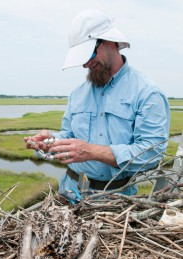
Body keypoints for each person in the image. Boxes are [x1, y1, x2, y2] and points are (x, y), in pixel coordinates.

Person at [24, 9, 170, 196]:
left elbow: (152, 153)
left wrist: (92, 151)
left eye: (89, 55)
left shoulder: (147, 93)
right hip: (70, 190)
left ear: (109, 42)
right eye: (82, 60)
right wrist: (51, 142)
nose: (85, 64)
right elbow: (70, 135)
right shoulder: (78, 93)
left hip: (117, 197)